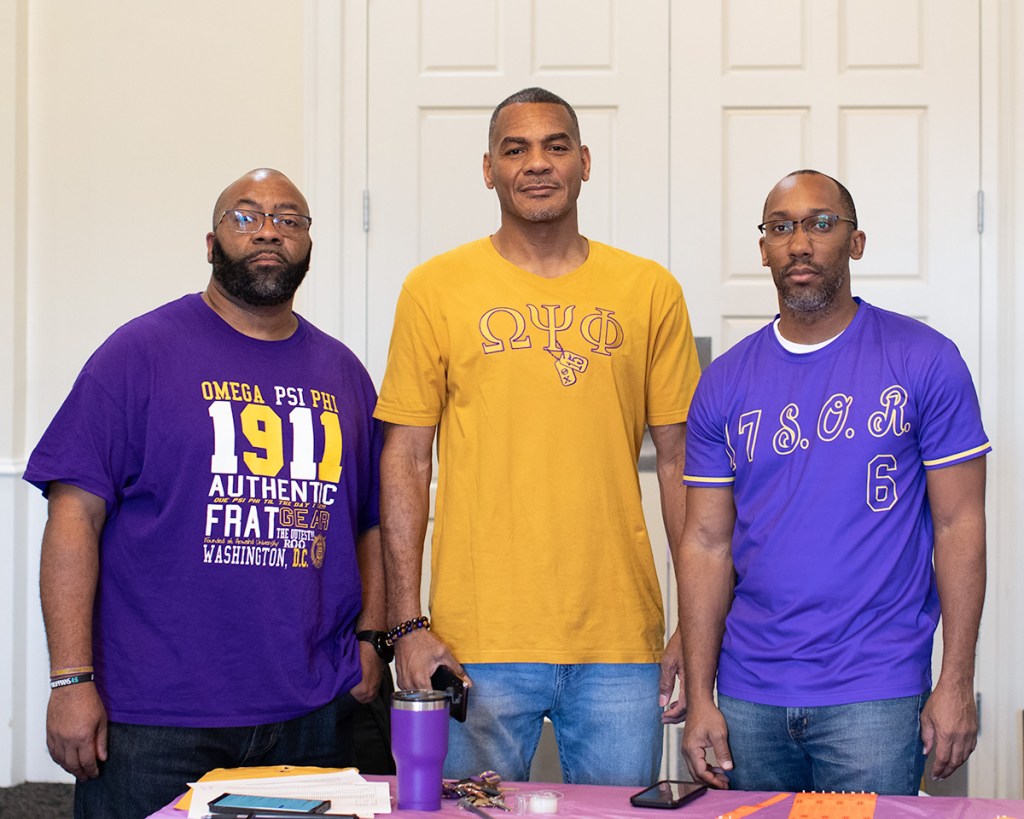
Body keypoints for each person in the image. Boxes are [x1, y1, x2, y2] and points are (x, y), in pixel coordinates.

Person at [25, 168, 389, 817]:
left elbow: (370, 522)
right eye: (246, 216)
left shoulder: (342, 373)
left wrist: (372, 638)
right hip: (154, 718)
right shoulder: (138, 353)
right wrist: (70, 679)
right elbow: (73, 515)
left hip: (310, 710)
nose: (269, 231)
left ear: (308, 243)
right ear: (211, 242)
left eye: (289, 219)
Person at [374, 87, 702, 786]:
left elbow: (682, 461)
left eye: (556, 146)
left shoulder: (649, 290)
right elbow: (405, 458)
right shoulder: (434, 289)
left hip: (619, 639)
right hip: (475, 640)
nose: (537, 163)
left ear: (584, 162)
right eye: (515, 148)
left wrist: (694, 622)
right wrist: (407, 624)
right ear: (488, 169)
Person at [678, 170, 989, 795]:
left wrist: (956, 680)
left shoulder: (926, 359)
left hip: (875, 693)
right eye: (781, 227)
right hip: (748, 695)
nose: (800, 243)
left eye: (821, 223)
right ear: (763, 249)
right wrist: (702, 695)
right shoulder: (724, 382)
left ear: (856, 241)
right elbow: (706, 543)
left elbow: (959, 524)